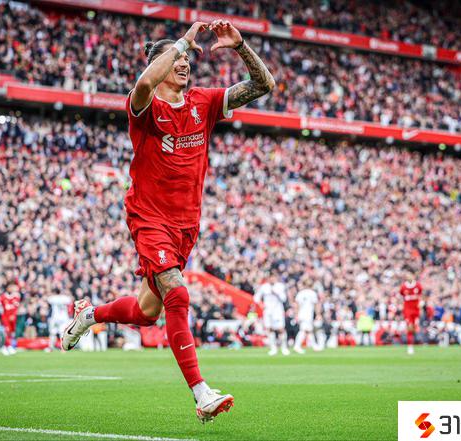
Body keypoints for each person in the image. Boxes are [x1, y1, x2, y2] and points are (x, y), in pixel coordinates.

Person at [61, 19, 274, 423]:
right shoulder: (144, 107)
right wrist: (182, 42)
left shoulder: (203, 102)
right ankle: (201, 393)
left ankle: (89, 315)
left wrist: (240, 46)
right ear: (160, 64)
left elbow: (264, 85)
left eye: (187, 59)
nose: (184, 63)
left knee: (146, 313)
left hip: (185, 226)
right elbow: (144, 84)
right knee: (178, 294)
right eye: (175, 59)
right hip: (149, 217)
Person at [254, 276, 289, 356]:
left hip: (277, 311)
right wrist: (261, 305)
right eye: (271, 277)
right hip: (268, 311)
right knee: (269, 329)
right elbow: (256, 298)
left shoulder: (280, 286)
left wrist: (276, 292)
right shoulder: (264, 287)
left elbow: (284, 298)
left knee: (281, 329)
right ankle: (273, 348)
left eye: (274, 277)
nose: (272, 279)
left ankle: (284, 348)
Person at [399, 275, 423, 355]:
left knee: (416, 328)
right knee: (409, 327)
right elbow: (401, 296)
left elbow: (421, 295)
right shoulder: (403, 286)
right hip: (408, 310)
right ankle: (410, 346)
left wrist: (421, 304)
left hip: (416, 310)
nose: (408, 277)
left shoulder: (418, 285)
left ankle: (418, 342)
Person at [293, 284, 319, 354]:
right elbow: (316, 304)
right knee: (303, 330)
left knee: (309, 330)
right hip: (308, 314)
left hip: (301, 314)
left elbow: (296, 304)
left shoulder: (300, 293)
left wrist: (296, 314)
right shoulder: (312, 293)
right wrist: (318, 314)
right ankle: (297, 346)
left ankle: (314, 346)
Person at [0, 283, 21, 356]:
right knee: (7, 332)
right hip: (6, 318)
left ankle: (6, 347)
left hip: (13, 318)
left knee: (12, 333)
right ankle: (9, 346)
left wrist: (13, 315)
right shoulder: (3, 297)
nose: (12, 289)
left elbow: (16, 307)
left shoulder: (16, 296)